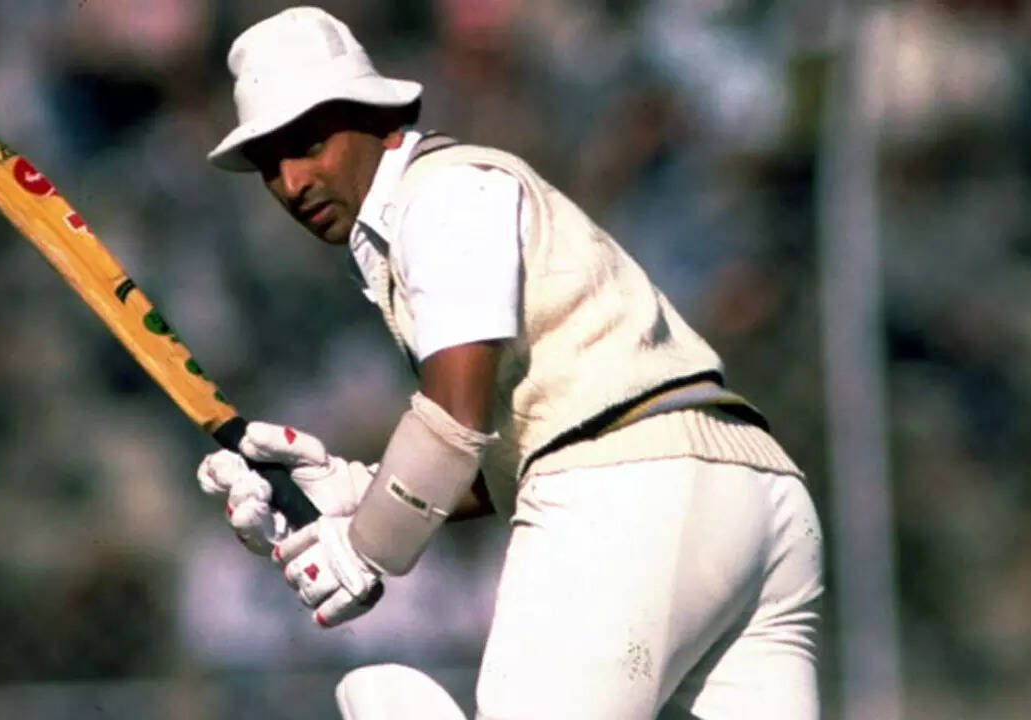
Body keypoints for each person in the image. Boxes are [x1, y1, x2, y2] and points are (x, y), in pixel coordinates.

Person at [194, 7, 824, 719]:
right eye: (269, 165)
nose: (291, 182)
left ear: (379, 120)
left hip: (631, 491)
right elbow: (521, 438)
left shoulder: (441, 196)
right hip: (756, 494)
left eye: (309, 145)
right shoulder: (446, 202)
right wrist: (355, 490)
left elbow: (455, 420)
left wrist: (364, 546)